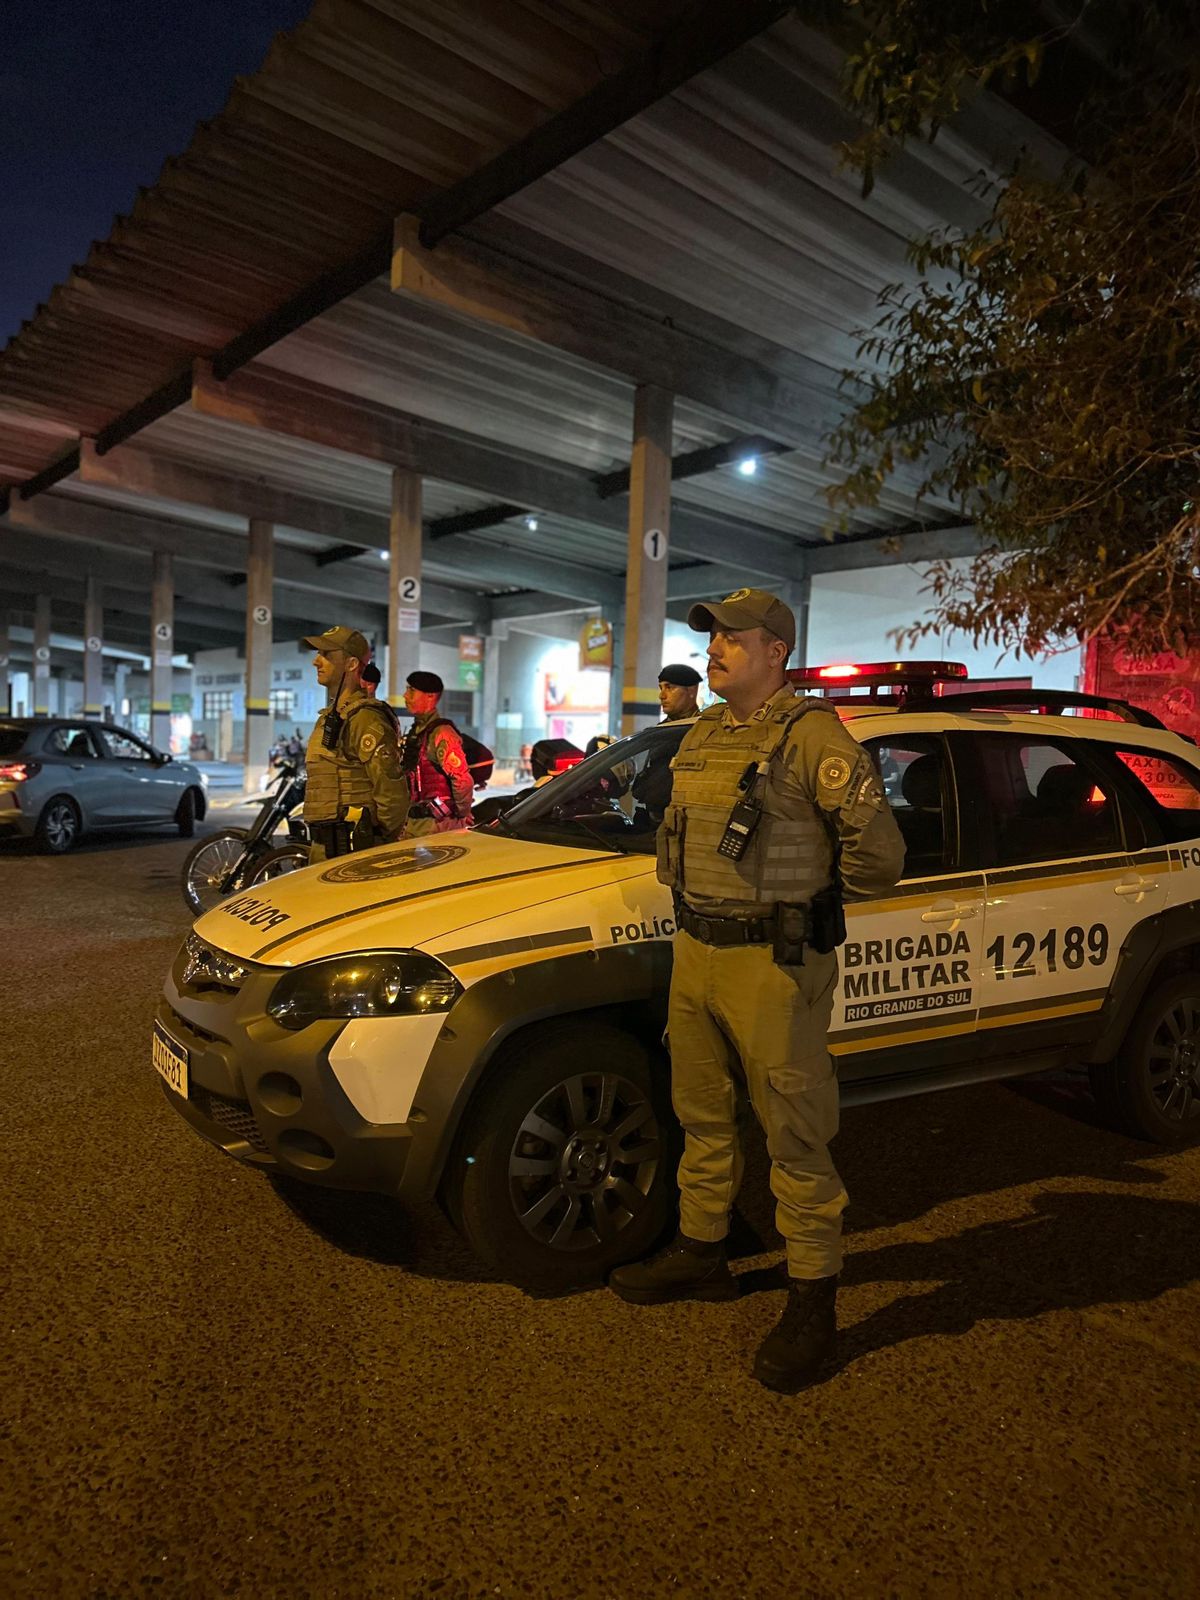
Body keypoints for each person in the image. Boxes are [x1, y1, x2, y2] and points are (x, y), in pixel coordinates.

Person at [608, 587, 906, 1394]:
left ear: (776, 650)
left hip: (774, 964)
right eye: (711, 637)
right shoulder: (706, 732)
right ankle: (703, 1250)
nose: (715, 649)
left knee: (794, 1131)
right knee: (701, 1114)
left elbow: (879, 859)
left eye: (733, 637)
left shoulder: (813, 737)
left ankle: (813, 1295)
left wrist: (809, 897)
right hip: (698, 950)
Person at [302, 626, 409, 860]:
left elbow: (392, 791)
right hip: (325, 849)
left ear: (351, 664)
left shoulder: (364, 718)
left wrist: (379, 842)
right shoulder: (332, 716)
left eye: (326, 655)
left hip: (353, 852)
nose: (316, 662)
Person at [401, 670, 475, 834]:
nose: (405, 696)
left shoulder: (442, 733)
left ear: (430, 696)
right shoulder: (418, 731)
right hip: (415, 824)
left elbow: (462, 780)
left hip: (439, 826)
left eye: (411, 691)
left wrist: (462, 814)